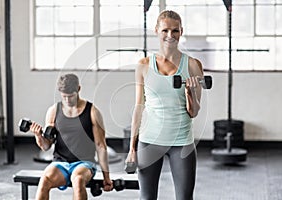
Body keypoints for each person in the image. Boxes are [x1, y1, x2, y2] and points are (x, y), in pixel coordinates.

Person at [126, 10, 204, 200]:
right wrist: (132, 149)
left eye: (175, 31)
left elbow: (193, 112)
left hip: (181, 142)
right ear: (157, 31)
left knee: (185, 198)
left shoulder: (193, 65)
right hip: (149, 140)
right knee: (147, 198)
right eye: (165, 30)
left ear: (181, 31)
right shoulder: (143, 65)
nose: (170, 36)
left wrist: (190, 93)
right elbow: (138, 107)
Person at [29, 73, 113, 200]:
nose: (68, 100)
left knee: (78, 180)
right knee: (44, 181)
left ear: (78, 89)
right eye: (64, 97)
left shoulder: (92, 112)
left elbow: (101, 146)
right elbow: (46, 146)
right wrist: (38, 136)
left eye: (71, 96)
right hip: (60, 163)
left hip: (84, 163)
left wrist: (106, 177)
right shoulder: (53, 111)